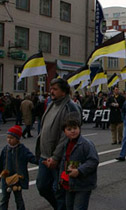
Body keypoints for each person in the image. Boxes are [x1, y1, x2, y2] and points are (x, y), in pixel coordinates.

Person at [35, 78, 81, 210]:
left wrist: (56, 157)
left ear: (64, 91)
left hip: (62, 158)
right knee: (42, 186)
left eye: (55, 89)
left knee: (61, 190)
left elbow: (68, 136)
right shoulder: (51, 104)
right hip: (45, 156)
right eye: (51, 89)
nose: (51, 91)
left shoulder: (70, 107)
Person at [59, 117, 99, 210]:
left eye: (75, 128)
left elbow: (93, 161)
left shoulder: (86, 144)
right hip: (69, 183)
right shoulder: (66, 144)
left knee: (79, 207)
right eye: (69, 129)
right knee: (69, 207)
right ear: (64, 131)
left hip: (83, 184)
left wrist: (79, 170)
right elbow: (63, 161)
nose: (73, 131)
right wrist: (61, 177)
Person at [0, 125, 38, 209]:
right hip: (6, 178)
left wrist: (39, 161)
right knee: (4, 198)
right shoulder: (5, 149)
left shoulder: (22, 149)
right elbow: (1, 162)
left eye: (11, 138)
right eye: (8, 137)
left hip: (17, 178)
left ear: (17, 139)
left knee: (18, 199)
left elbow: (31, 158)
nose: (9, 139)